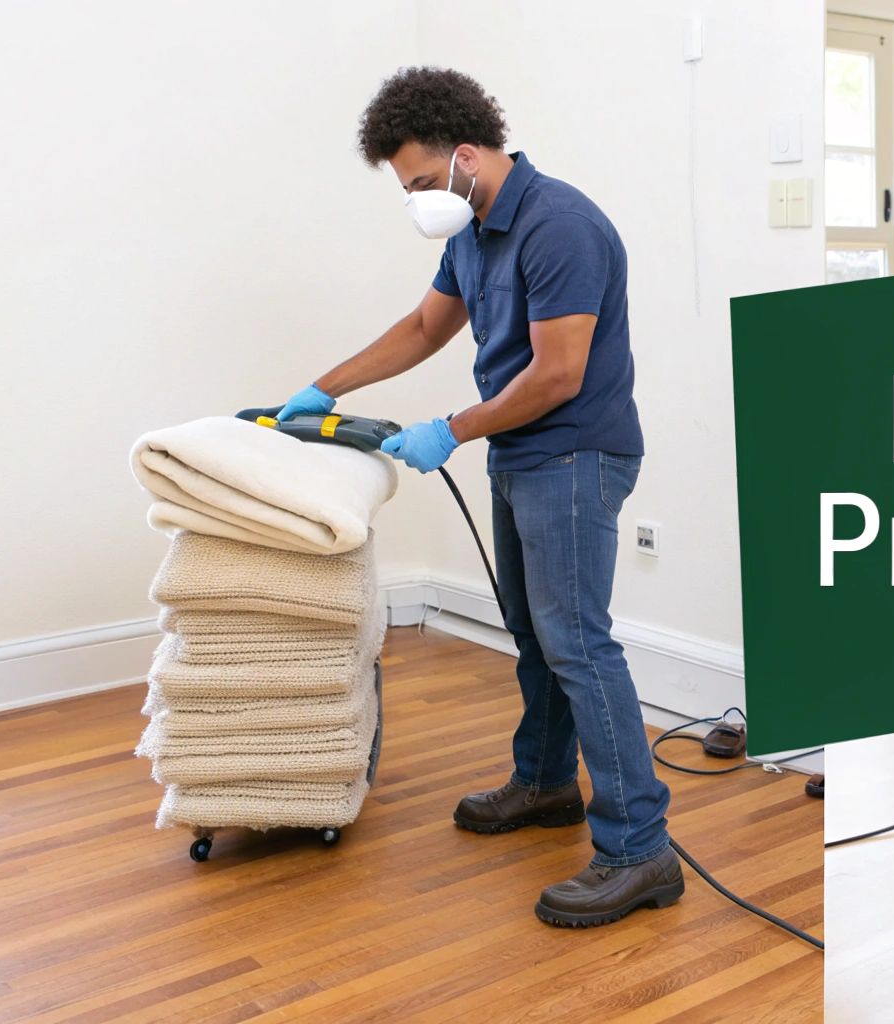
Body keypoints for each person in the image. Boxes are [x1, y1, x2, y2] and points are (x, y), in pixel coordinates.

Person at [277, 66, 680, 928]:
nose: (420, 199)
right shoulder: (475, 231)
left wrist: (450, 429)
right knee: (534, 634)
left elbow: (560, 373)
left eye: (423, 181)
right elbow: (427, 328)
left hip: (576, 453)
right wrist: (322, 388)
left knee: (578, 641)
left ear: (464, 156)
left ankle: (641, 850)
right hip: (521, 451)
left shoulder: (558, 225)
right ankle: (544, 786)